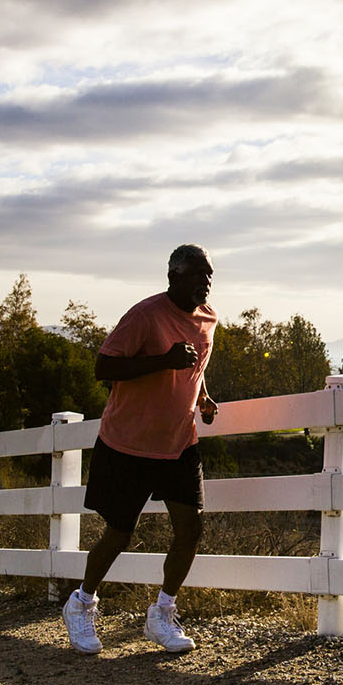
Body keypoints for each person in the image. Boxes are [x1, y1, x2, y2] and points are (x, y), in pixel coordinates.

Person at [62, 244, 219, 654]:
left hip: (178, 442)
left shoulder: (208, 319)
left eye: (210, 275)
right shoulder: (144, 316)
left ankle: (162, 614)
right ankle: (81, 603)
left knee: (191, 528)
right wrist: (162, 361)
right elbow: (104, 367)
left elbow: (196, 366)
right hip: (128, 443)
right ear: (175, 277)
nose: (207, 283)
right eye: (199, 275)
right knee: (118, 534)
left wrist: (202, 397)